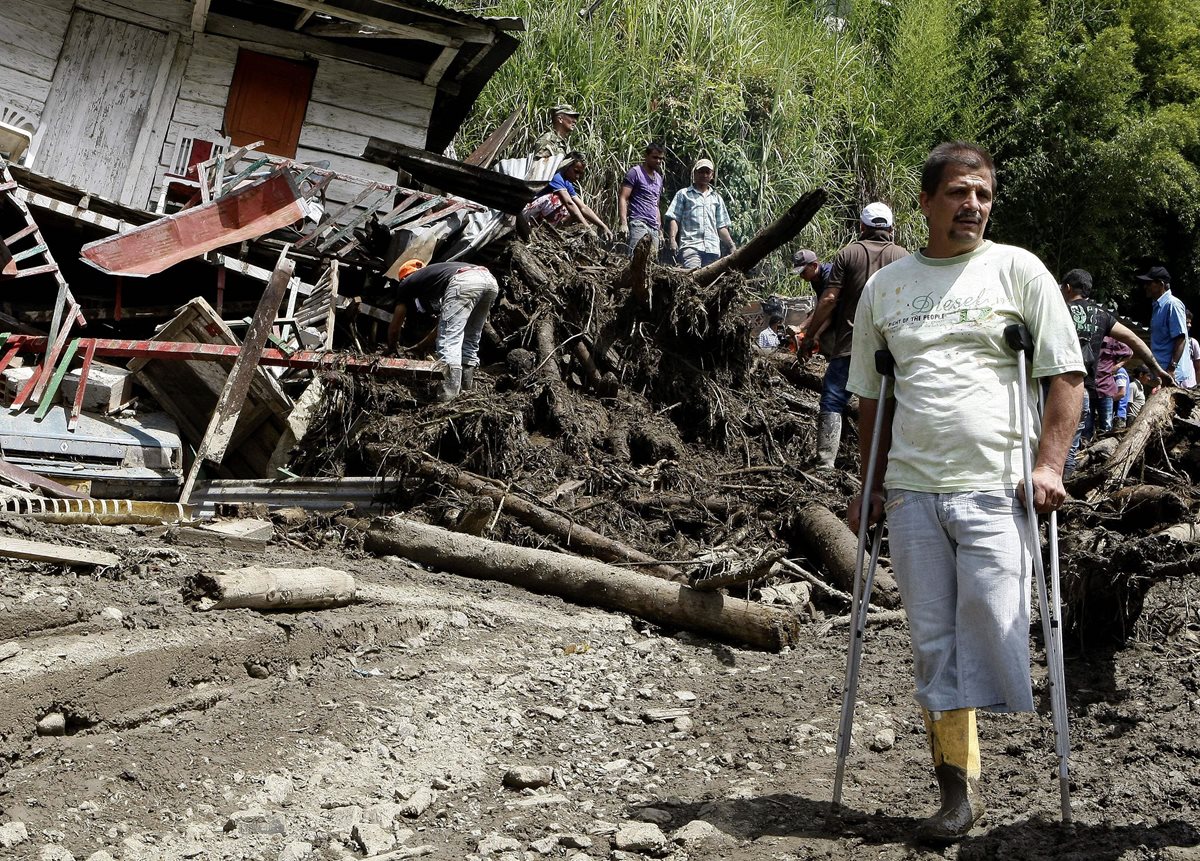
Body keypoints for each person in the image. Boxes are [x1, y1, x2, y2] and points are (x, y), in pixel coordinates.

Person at [846, 142, 1084, 842]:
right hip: (915, 490)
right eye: (957, 192)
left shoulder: (1019, 271)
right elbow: (869, 399)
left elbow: (1064, 373)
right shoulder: (886, 290)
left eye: (981, 193)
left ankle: (994, 734)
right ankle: (960, 791)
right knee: (932, 642)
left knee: (993, 617)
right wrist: (870, 485)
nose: (972, 205)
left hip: (996, 487)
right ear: (925, 202)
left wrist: (1049, 465)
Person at [796, 202, 908, 467]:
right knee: (894, 402)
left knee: (833, 399)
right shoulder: (903, 257)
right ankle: (894, 464)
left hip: (852, 344)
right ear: (890, 228)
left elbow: (829, 299)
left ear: (862, 227)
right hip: (893, 348)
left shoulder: (848, 254)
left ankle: (825, 463)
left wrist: (809, 336)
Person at [1059, 268, 1172, 474]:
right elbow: (1134, 340)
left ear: (1066, 288)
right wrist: (1158, 370)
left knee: (1046, 447)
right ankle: (1062, 493)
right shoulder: (1102, 315)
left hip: (1055, 390)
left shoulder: (1058, 310)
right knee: (1070, 450)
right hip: (1081, 391)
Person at [387, 260, 499, 402]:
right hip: (488, 280)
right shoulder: (437, 276)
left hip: (464, 281)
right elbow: (442, 323)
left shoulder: (406, 284)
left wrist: (392, 347)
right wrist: (422, 346)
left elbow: (396, 324)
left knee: (449, 341)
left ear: (403, 277)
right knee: (470, 339)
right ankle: (466, 393)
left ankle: (448, 398)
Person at [521, 154, 613, 240]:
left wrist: (603, 226)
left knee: (575, 212)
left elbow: (583, 207)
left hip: (536, 212)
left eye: (580, 173)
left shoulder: (567, 183)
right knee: (557, 200)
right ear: (567, 165)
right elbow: (569, 203)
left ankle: (548, 232)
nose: (577, 176)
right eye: (576, 171)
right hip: (524, 212)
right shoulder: (556, 176)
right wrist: (588, 229)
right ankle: (543, 230)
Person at [664, 158, 736, 268]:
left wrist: (731, 245)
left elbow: (721, 226)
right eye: (701, 172)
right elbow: (675, 218)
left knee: (711, 283)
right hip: (691, 246)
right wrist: (672, 239)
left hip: (712, 249)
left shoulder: (716, 198)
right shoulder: (684, 194)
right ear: (695, 173)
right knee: (693, 278)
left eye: (707, 172)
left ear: (712, 175)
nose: (704, 175)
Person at [1138, 265, 1193, 387]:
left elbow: (1181, 338)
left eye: (1149, 283)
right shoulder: (1158, 306)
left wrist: (1171, 369)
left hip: (1173, 377)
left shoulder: (1173, 305)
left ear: (1161, 284)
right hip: (1162, 374)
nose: (1145, 286)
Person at [617, 143, 665, 257]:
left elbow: (656, 205)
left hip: (654, 227)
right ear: (646, 156)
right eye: (655, 157)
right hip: (639, 222)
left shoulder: (658, 178)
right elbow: (623, 197)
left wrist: (660, 230)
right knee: (636, 259)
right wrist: (623, 223)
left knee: (651, 263)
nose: (658, 161)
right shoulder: (635, 172)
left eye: (661, 158)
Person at [1113, 365, 1130, 430]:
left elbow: (1121, 393)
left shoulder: (1120, 371)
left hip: (1118, 414)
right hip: (1120, 413)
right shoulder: (1119, 371)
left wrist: (1107, 401)